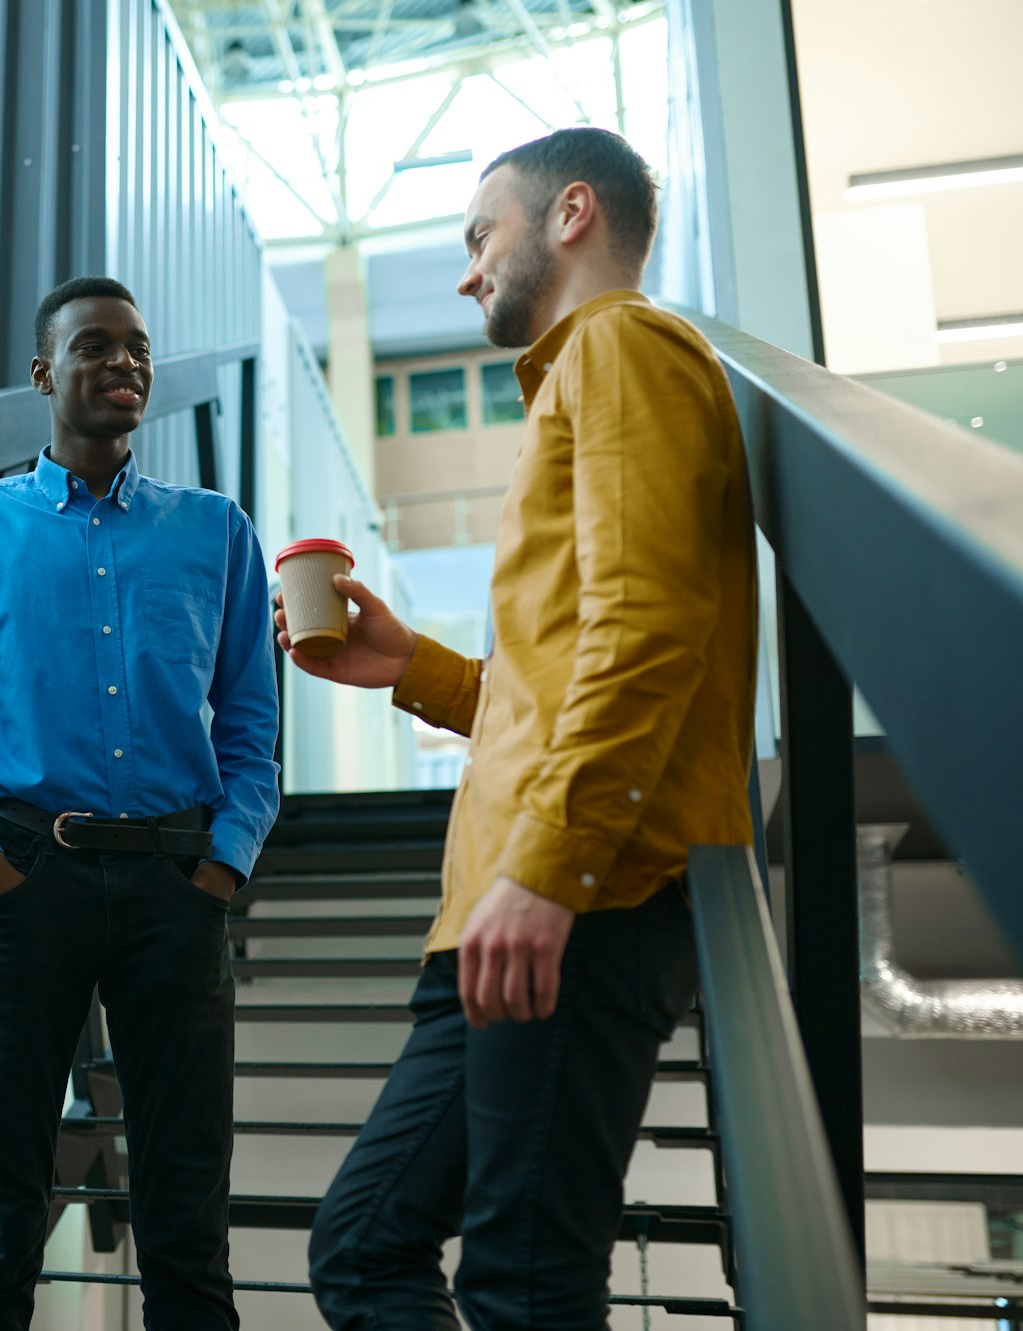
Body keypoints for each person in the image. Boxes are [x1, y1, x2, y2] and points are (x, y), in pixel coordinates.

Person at [296, 127, 757, 1330]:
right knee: (360, 1242)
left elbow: (646, 625)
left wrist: (549, 867)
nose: (464, 272)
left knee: (525, 1285)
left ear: (567, 215)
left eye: (475, 237)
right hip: (511, 906)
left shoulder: (618, 346)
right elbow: (569, 661)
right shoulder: (587, 374)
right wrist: (421, 671)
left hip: (574, 894)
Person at [0, 276, 281, 1330]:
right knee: (0, 1214)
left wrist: (222, 861)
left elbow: (248, 721)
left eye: (138, 347)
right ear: (42, 373)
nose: (124, 363)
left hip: (175, 884)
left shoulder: (214, 531)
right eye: (95, 346)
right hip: (27, 880)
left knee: (187, 1215)